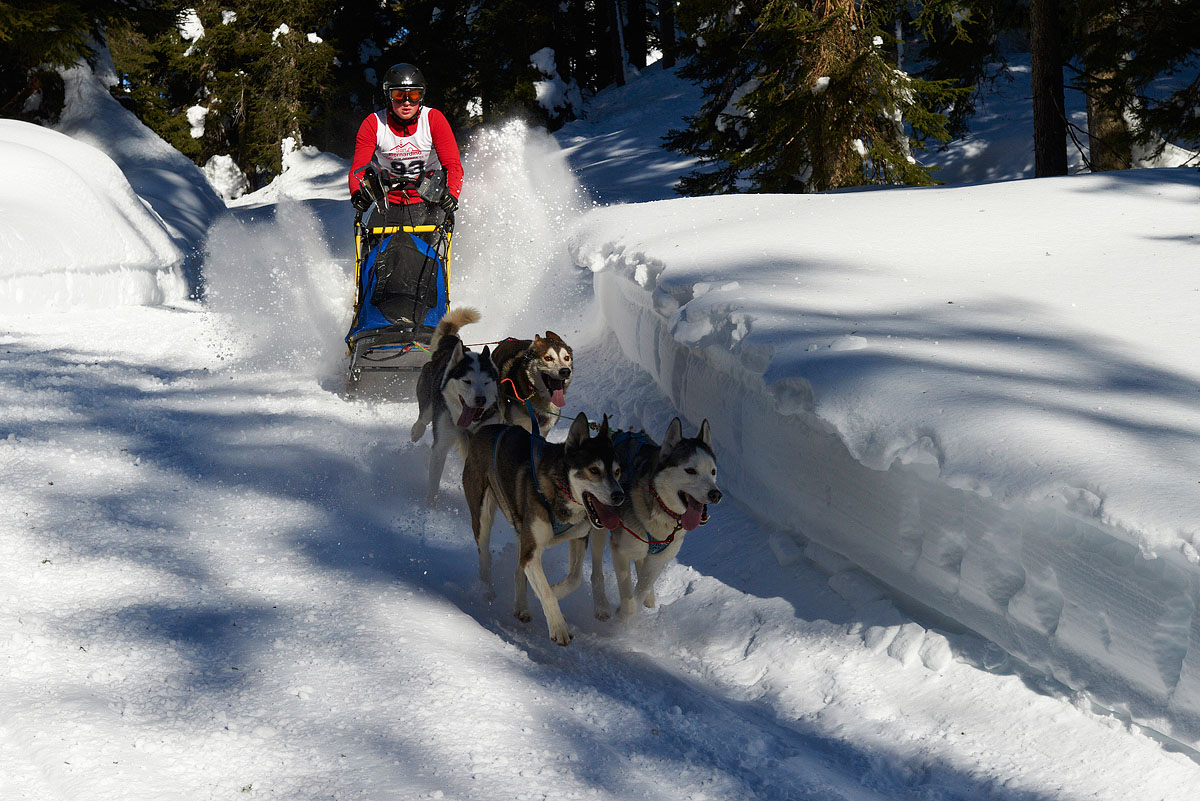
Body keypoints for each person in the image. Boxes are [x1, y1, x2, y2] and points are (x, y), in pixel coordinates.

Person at [348, 63, 463, 229]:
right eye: (399, 95)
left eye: (414, 95)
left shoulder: (433, 119)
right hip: (389, 203)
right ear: (389, 96)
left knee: (430, 250)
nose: (407, 102)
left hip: (428, 201)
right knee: (370, 249)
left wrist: (451, 194)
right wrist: (357, 194)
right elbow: (358, 168)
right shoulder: (374, 123)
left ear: (421, 96)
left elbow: (452, 164)